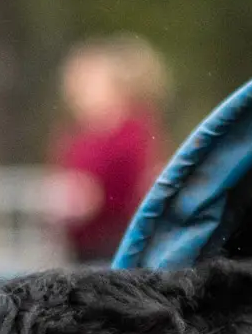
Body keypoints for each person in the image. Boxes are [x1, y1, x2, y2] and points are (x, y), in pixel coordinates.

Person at [50, 35, 168, 264]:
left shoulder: (132, 129)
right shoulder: (75, 133)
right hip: (83, 248)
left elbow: (139, 185)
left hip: (118, 242)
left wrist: (95, 197)